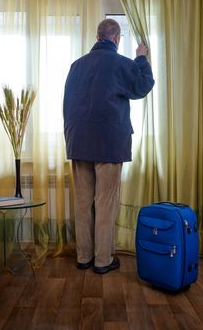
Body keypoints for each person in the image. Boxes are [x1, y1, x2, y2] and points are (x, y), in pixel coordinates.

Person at [63, 18, 154, 274]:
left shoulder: (76, 66)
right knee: (105, 202)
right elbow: (143, 85)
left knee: (83, 202)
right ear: (116, 39)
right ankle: (103, 260)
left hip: (79, 141)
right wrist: (141, 57)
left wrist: (72, 137)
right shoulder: (120, 63)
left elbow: (67, 105)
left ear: (97, 36)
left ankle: (83, 258)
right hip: (109, 143)